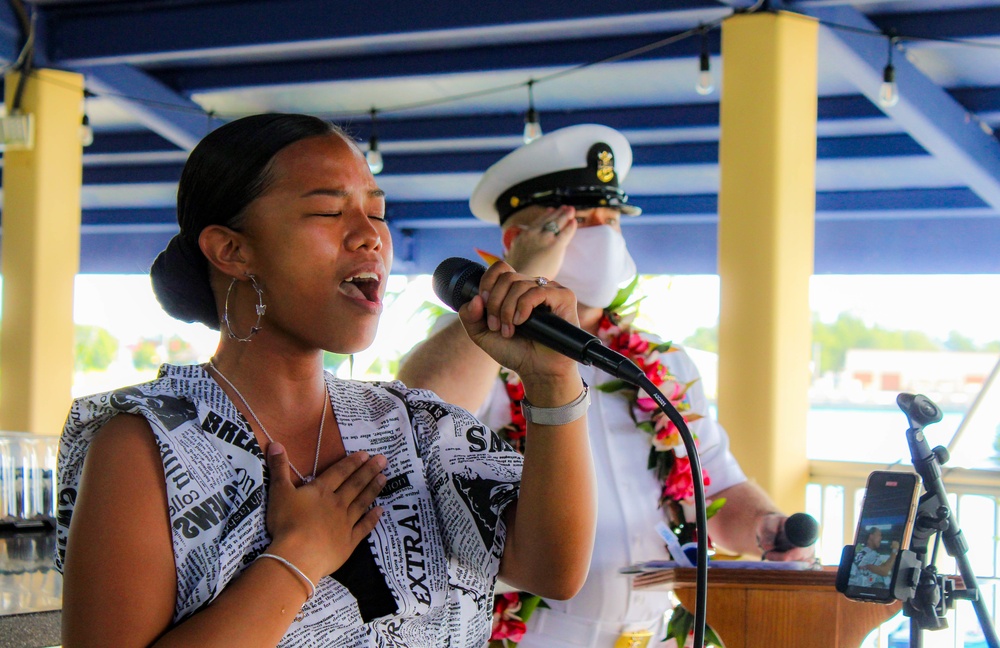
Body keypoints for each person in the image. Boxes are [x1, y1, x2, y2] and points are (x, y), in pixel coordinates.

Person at [55, 113, 598, 647]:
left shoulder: (419, 427)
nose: (371, 238)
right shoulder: (145, 443)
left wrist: (553, 383)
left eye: (378, 213)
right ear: (233, 250)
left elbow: (553, 571)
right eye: (328, 211)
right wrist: (297, 558)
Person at [397, 124, 816, 648]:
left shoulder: (662, 365)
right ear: (516, 239)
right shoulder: (477, 344)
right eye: (577, 223)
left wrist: (767, 527)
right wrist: (521, 277)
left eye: (611, 221)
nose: (603, 236)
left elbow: (714, 485)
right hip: (525, 637)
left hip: (651, 635)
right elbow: (419, 409)